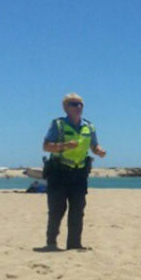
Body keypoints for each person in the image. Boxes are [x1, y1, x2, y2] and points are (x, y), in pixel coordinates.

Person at [42, 93, 106, 250]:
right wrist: (63, 146)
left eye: (80, 104)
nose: (78, 107)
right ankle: (51, 242)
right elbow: (46, 146)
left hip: (79, 173)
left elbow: (93, 145)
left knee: (78, 209)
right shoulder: (58, 125)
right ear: (65, 107)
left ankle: (74, 244)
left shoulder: (88, 127)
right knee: (57, 209)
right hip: (59, 171)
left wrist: (98, 151)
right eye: (74, 104)